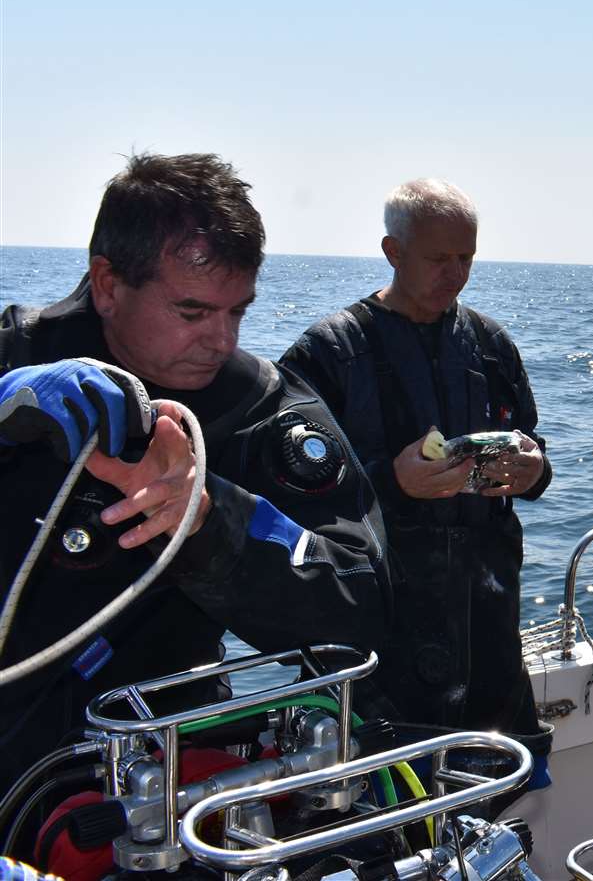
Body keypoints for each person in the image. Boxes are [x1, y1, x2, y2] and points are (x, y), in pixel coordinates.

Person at [0, 152, 391, 797]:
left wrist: (207, 518)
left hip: (156, 775)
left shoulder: (258, 411)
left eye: (237, 312)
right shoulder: (17, 357)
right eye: (192, 312)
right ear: (106, 284)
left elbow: (360, 602)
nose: (221, 340)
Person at [281, 178, 550, 737]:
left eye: (466, 257)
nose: (455, 274)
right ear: (393, 252)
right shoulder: (326, 354)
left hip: (486, 620)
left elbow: (531, 442)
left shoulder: (491, 344)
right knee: (382, 792)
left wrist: (533, 470)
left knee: (493, 775)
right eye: (438, 258)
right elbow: (282, 496)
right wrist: (389, 483)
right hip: (380, 624)